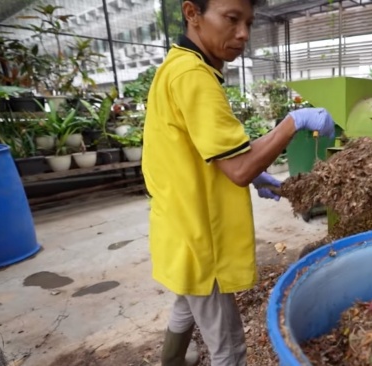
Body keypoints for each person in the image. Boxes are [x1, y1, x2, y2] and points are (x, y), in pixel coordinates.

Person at [141, 0, 336, 365]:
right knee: (229, 350)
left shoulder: (177, 66)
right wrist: (293, 122)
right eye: (231, 19)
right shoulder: (193, 78)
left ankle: (171, 361)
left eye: (248, 22)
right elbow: (239, 168)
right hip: (202, 235)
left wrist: (254, 169)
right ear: (192, 13)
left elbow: (205, 151)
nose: (243, 33)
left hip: (179, 225)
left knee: (187, 300)